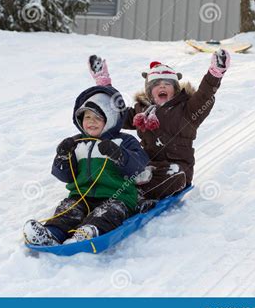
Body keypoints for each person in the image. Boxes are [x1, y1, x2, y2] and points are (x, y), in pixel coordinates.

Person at [87, 50, 231, 206]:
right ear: (149, 92)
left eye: (168, 83)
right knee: (120, 162)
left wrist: (215, 74)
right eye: (156, 84)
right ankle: (109, 188)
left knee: (175, 176)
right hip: (144, 167)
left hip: (174, 169)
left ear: (175, 90)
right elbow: (116, 113)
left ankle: (136, 195)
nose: (162, 85)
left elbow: (204, 95)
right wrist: (104, 84)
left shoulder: (188, 110)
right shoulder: (141, 112)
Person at [23, 85, 149, 246]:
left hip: (118, 197)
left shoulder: (124, 141)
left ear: (110, 119)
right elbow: (66, 176)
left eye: (97, 117)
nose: (91, 122)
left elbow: (139, 165)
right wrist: (62, 157)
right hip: (81, 196)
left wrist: (119, 155)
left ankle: (86, 233)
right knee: (68, 210)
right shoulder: (76, 143)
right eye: (87, 117)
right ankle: (51, 234)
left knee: (107, 214)